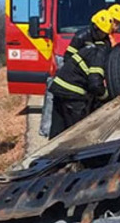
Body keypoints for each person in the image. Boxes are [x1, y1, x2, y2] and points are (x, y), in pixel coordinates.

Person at [47, 10, 112, 138]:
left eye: (105, 33)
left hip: (60, 87)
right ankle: (72, 156)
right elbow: (94, 82)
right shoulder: (92, 46)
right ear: (94, 26)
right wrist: (105, 96)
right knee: (75, 134)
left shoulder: (101, 45)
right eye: (100, 32)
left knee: (57, 132)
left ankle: (53, 155)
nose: (102, 35)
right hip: (73, 92)